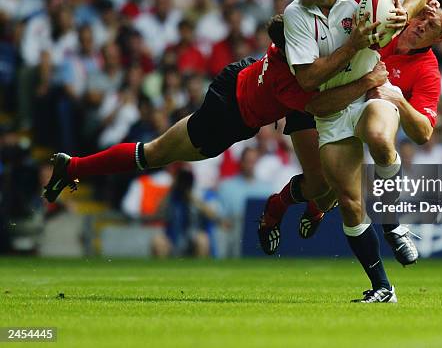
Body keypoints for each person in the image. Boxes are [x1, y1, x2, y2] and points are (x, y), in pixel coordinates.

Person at [43, 15, 388, 219]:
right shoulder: (293, 79)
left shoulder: (290, 49)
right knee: (155, 154)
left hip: (239, 81)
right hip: (229, 114)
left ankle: (72, 167)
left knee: (156, 151)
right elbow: (319, 103)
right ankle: (72, 166)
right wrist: (367, 81)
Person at [278, 0, 442, 303]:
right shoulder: (295, 15)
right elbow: (309, 80)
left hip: (373, 98)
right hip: (333, 104)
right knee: (348, 201)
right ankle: (382, 288)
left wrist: (405, 11)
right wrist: (357, 44)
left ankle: (393, 223)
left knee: (378, 134)